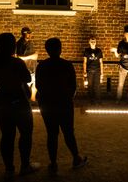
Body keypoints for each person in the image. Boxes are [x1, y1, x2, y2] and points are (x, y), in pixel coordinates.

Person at [0, 33, 40, 181]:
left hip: (2, 103)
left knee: (7, 136)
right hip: (19, 102)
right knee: (25, 133)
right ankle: (25, 165)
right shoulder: (16, 62)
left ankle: (9, 169)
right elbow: (27, 78)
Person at [35, 37, 87, 175]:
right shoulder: (66, 65)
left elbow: (38, 85)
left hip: (47, 103)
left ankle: (53, 164)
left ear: (47, 50)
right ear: (60, 49)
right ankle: (76, 158)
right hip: (64, 103)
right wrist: (68, 98)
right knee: (68, 132)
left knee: (52, 134)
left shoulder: (42, 65)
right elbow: (73, 86)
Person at [16, 27, 38, 101]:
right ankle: (27, 100)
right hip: (27, 67)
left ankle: (32, 100)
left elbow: (35, 56)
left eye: (30, 33)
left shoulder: (29, 43)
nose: (30, 34)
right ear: (24, 33)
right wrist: (32, 56)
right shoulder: (21, 44)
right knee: (26, 84)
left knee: (34, 84)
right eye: (28, 33)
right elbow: (19, 57)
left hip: (32, 66)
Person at [83, 36, 104, 105]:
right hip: (89, 71)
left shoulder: (99, 51)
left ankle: (99, 100)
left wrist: (102, 73)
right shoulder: (86, 51)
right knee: (90, 86)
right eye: (91, 41)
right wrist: (84, 71)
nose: (93, 43)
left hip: (97, 71)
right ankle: (91, 101)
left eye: (94, 41)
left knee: (97, 86)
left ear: (96, 42)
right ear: (89, 42)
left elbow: (101, 62)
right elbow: (85, 62)